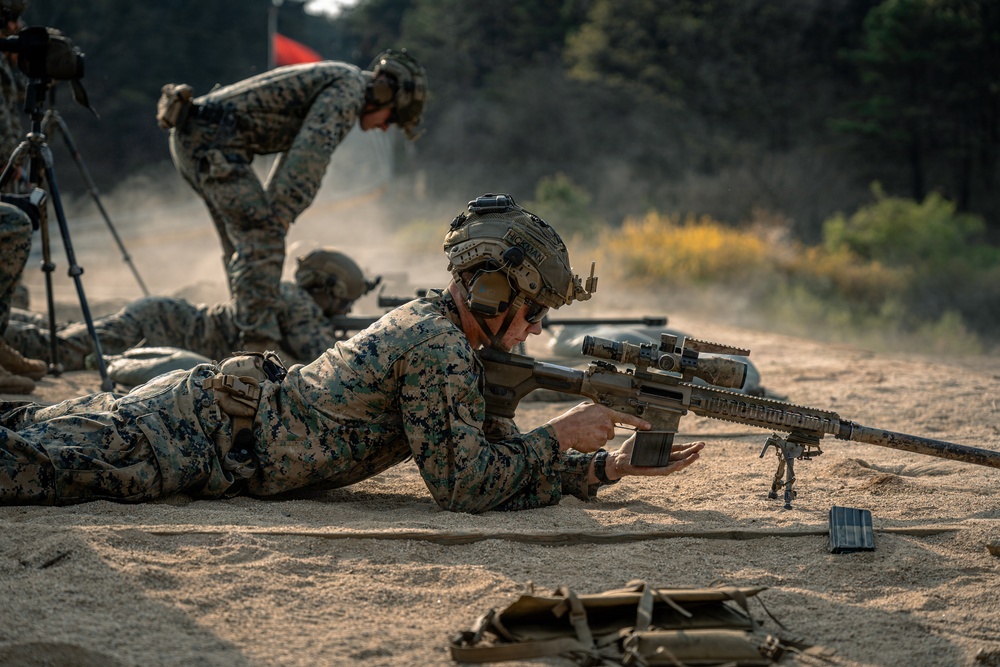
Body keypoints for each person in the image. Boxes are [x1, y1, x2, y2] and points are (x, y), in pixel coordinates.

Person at [0, 193, 704, 510]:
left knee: (27, 437)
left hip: (213, 430)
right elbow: (465, 487)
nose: (537, 329)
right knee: (22, 466)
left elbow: (492, 463)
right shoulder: (436, 344)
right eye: (534, 311)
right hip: (191, 437)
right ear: (492, 293)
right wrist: (560, 435)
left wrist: (601, 466)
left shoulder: (449, 338)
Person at [162, 48, 427, 355]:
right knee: (263, 240)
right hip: (211, 143)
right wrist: (282, 212)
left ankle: (238, 337)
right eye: (392, 118)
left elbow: (297, 151)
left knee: (246, 249)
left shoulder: (342, 81)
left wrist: (276, 208)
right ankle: (257, 352)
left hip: (198, 138)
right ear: (384, 94)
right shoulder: (349, 90)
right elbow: (311, 151)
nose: (384, 126)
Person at [3, 247, 380, 370]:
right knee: (59, 350)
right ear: (326, 288)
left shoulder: (284, 294)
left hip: (163, 319)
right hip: (160, 325)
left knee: (61, 334)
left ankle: (10, 319)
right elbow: (328, 359)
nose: (344, 307)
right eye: (344, 300)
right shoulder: (296, 301)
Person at [0, 0, 46, 394]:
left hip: (5, 165)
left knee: (16, 225)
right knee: (14, 226)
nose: (15, 25)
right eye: (10, 18)